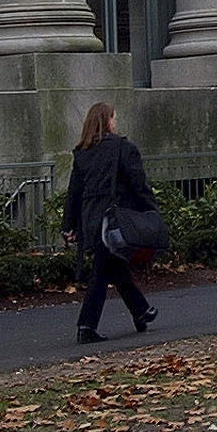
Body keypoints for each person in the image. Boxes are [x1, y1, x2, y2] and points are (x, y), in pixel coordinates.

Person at [62, 101, 159, 344]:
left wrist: (69, 225)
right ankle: (86, 326)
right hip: (115, 219)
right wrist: (151, 211)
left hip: (91, 220)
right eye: (114, 117)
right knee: (102, 272)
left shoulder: (82, 152)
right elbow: (138, 184)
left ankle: (141, 311)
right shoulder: (122, 148)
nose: (117, 122)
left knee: (113, 266)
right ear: (107, 120)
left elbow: (74, 192)